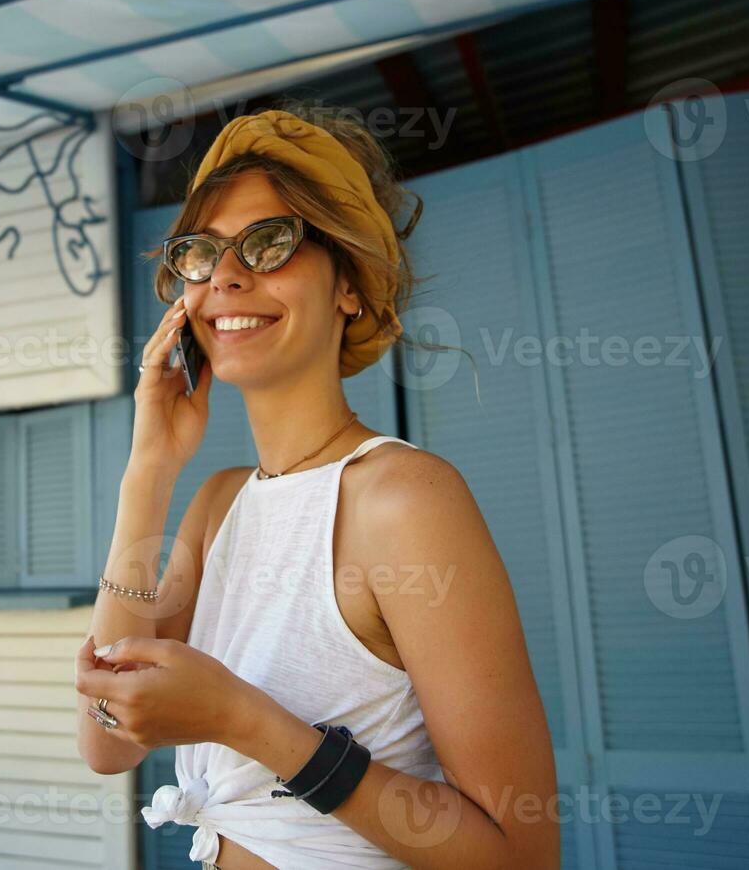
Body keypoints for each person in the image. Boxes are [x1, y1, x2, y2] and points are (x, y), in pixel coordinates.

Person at [75, 102, 558, 869]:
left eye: (269, 243)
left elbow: (520, 853)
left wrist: (244, 720)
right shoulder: (216, 505)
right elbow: (104, 740)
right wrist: (149, 470)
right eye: (202, 254)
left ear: (351, 288)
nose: (227, 275)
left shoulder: (404, 500)